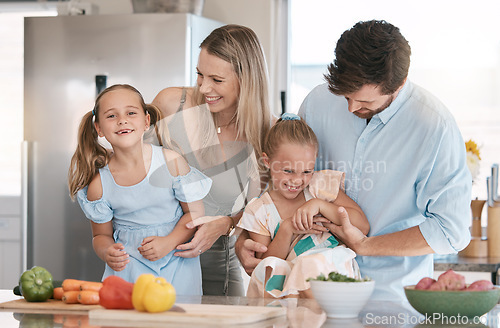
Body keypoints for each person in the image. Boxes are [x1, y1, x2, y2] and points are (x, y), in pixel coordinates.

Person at [236, 20, 471, 301]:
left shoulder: (434, 126)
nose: (350, 107)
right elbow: (282, 177)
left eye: (364, 103)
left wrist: (367, 245)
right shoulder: (317, 103)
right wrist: (247, 240)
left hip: (390, 296)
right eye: (345, 95)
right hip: (309, 295)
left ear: (400, 84)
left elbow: (451, 230)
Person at [151, 24, 273, 296]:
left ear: (247, 80)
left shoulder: (267, 134)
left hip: (220, 269)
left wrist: (226, 223)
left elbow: (267, 208)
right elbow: (132, 168)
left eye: (217, 80)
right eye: (199, 75)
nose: (205, 87)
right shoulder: (172, 105)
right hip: (155, 262)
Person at [67, 84, 212, 295]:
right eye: (111, 116)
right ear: (98, 128)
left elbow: (195, 214)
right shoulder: (100, 185)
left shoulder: (171, 163)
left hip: (177, 268)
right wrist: (107, 251)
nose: (122, 120)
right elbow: (100, 236)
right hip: (128, 273)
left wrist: (168, 242)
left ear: (146, 121)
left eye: (130, 113)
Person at [237, 113, 369, 298]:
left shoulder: (319, 186)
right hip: (289, 296)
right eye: (288, 171)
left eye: (307, 171)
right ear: (267, 162)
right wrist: (287, 228)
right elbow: (265, 268)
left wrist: (320, 205)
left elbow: (362, 225)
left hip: (334, 283)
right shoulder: (258, 211)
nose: (297, 180)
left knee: (310, 265)